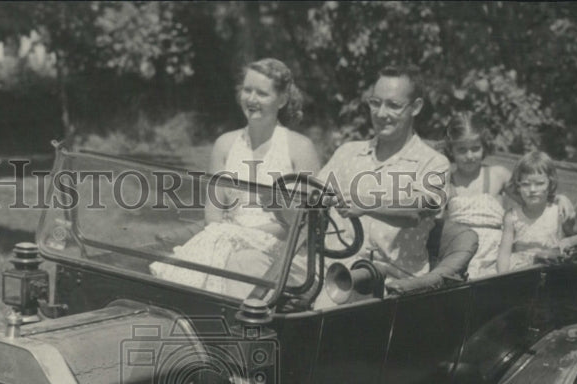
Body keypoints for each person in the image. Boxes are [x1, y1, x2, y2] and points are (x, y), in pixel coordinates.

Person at [150, 58, 320, 296]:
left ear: (281, 100)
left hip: (281, 251)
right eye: (247, 90)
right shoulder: (225, 145)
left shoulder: (299, 148)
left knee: (237, 263)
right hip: (224, 238)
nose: (251, 99)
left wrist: (243, 233)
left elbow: (303, 224)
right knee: (184, 276)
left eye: (262, 93)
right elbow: (213, 214)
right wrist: (230, 234)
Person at [317, 66, 450, 278]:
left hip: (389, 280)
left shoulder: (434, 163)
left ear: (415, 107)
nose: (381, 114)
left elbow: (415, 211)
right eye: (375, 103)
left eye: (393, 105)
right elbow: (312, 197)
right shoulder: (346, 153)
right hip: (326, 268)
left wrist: (366, 204)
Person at [443, 112, 511, 278]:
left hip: (495, 257)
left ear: (484, 146)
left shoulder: (497, 175)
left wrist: (558, 198)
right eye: (462, 150)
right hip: (459, 257)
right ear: (451, 150)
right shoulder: (446, 181)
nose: (469, 156)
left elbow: (532, 195)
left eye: (475, 149)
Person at [497, 151, 577, 273]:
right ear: (518, 186)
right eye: (525, 184)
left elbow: (574, 239)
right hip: (520, 272)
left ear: (550, 184)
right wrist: (502, 279)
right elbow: (504, 254)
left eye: (539, 184)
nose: (532, 190)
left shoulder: (558, 211)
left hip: (552, 269)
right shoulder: (512, 217)